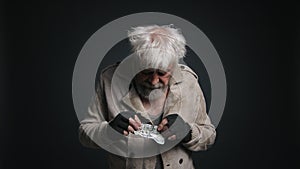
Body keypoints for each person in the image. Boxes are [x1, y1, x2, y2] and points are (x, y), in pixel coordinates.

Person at [79, 24, 216, 169]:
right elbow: (84, 134)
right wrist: (109, 131)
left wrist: (188, 132)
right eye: (146, 72)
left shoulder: (188, 82)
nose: (154, 81)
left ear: (173, 67)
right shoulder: (109, 79)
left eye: (162, 73)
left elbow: (209, 136)